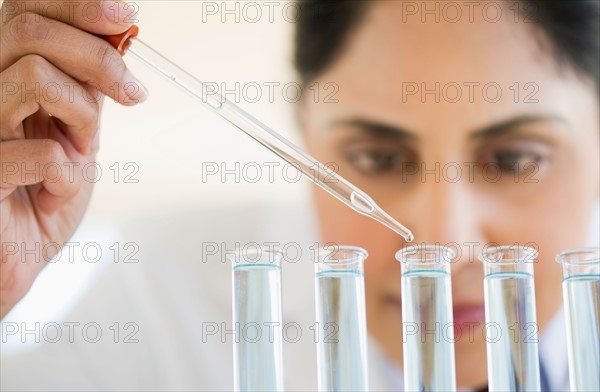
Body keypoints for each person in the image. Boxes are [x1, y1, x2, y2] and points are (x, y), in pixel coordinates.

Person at [1, 0, 598, 390]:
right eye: (378, 158)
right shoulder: (157, 308)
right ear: (304, 134)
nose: (445, 243)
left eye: (516, 159)